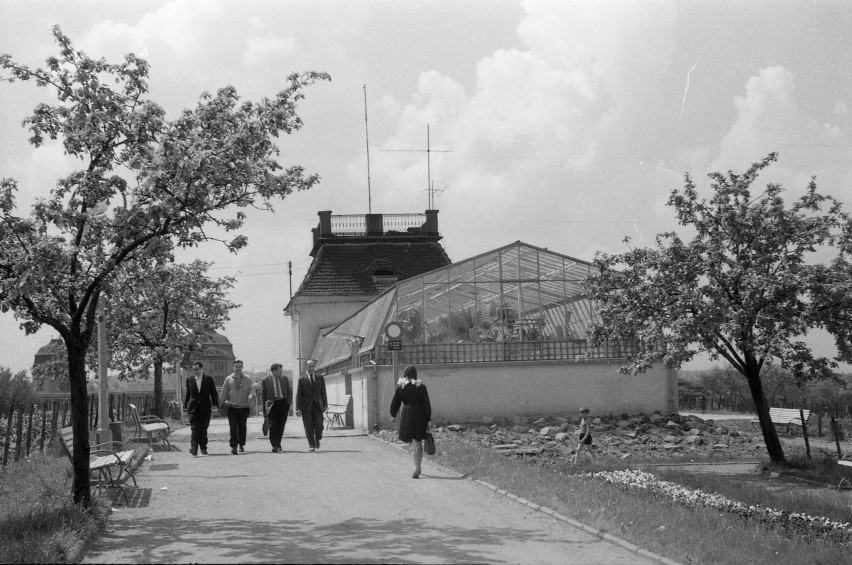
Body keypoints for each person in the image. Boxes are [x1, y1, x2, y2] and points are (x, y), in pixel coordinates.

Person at [390, 365, 432, 479]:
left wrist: (393, 414)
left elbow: (395, 402)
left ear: (405, 375)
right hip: (420, 415)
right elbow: (426, 405)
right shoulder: (422, 387)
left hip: (407, 415)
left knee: (411, 442)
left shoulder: (401, 388)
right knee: (418, 442)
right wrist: (428, 419)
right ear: (415, 375)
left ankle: (416, 467)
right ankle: (418, 466)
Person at [183, 361, 219, 457]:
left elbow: (214, 393)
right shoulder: (189, 380)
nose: (194, 371)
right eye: (193, 369)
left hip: (205, 408)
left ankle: (203, 448)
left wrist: (215, 404)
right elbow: (188, 394)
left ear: (201, 369)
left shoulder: (208, 379)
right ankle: (194, 449)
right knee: (195, 429)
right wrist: (185, 406)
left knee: (203, 430)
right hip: (193, 409)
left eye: (196, 369)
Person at [220, 360, 254, 455]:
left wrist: (251, 395)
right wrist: (221, 403)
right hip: (232, 407)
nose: (238, 368)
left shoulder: (247, 378)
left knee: (242, 427)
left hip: (244, 407)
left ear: (242, 367)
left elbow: (252, 390)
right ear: (233, 367)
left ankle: (241, 444)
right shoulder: (228, 379)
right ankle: (234, 446)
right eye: (236, 367)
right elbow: (223, 393)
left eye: (240, 367)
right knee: (233, 427)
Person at [295, 359, 327, 452]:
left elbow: (323, 392)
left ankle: (318, 437)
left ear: (314, 367)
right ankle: (311, 445)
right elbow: (299, 395)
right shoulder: (302, 379)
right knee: (308, 426)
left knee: (319, 425)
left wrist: (325, 405)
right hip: (306, 407)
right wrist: (298, 408)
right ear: (306, 367)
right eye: (309, 366)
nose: (311, 368)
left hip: (318, 406)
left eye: (313, 366)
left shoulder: (320, 378)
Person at [261, 363, 292, 453]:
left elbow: (289, 391)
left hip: (283, 403)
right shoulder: (265, 380)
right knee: (273, 425)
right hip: (272, 405)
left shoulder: (284, 379)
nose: (281, 372)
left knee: (281, 425)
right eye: (279, 371)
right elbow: (263, 396)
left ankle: (278, 443)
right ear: (274, 371)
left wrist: (288, 403)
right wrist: (264, 411)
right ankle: (275, 445)